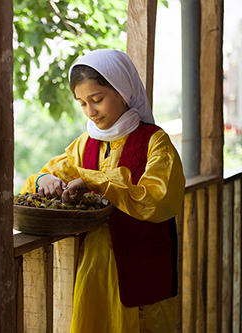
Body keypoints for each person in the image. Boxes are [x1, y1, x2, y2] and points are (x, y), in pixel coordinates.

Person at [20, 49, 185, 332]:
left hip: (141, 266)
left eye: (97, 100)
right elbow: (38, 177)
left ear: (123, 93)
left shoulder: (155, 142)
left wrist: (96, 182)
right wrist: (43, 180)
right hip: (95, 269)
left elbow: (158, 198)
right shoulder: (85, 144)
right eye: (82, 103)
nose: (90, 112)